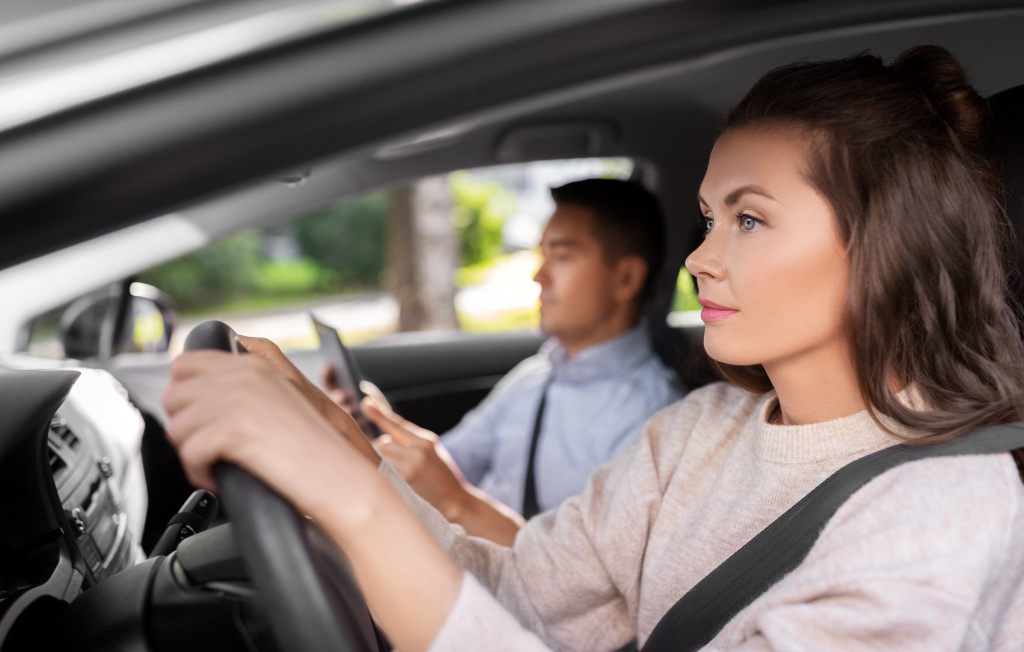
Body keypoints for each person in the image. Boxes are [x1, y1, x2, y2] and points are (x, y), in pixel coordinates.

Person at [164, 44, 1024, 652]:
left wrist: (353, 501)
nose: (699, 257)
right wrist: (340, 445)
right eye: (710, 216)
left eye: (750, 218)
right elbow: (515, 596)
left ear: (887, 244)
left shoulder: (941, 511)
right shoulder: (700, 430)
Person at [328, 178, 683, 545]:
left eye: (561, 256)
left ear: (626, 278)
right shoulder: (534, 375)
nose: (539, 275)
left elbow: (592, 576)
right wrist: (373, 428)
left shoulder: (653, 419)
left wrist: (458, 503)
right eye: (542, 255)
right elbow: (448, 465)